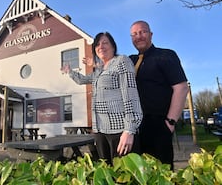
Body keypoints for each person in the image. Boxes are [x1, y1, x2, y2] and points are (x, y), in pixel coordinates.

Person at [61, 32, 142, 164]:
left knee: (124, 176)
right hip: (100, 131)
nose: (101, 46)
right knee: (106, 173)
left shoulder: (121, 61)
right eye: (97, 44)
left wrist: (129, 130)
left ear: (113, 46)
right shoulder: (98, 70)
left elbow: (131, 95)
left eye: (105, 43)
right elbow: (82, 80)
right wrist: (70, 71)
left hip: (120, 131)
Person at [129, 20, 189, 170]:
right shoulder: (130, 61)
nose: (139, 36)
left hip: (158, 125)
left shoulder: (166, 55)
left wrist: (170, 123)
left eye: (142, 32)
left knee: (161, 174)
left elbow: (181, 88)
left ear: (151, 34)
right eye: (134, 34)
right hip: (134, 128)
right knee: (139, 174)